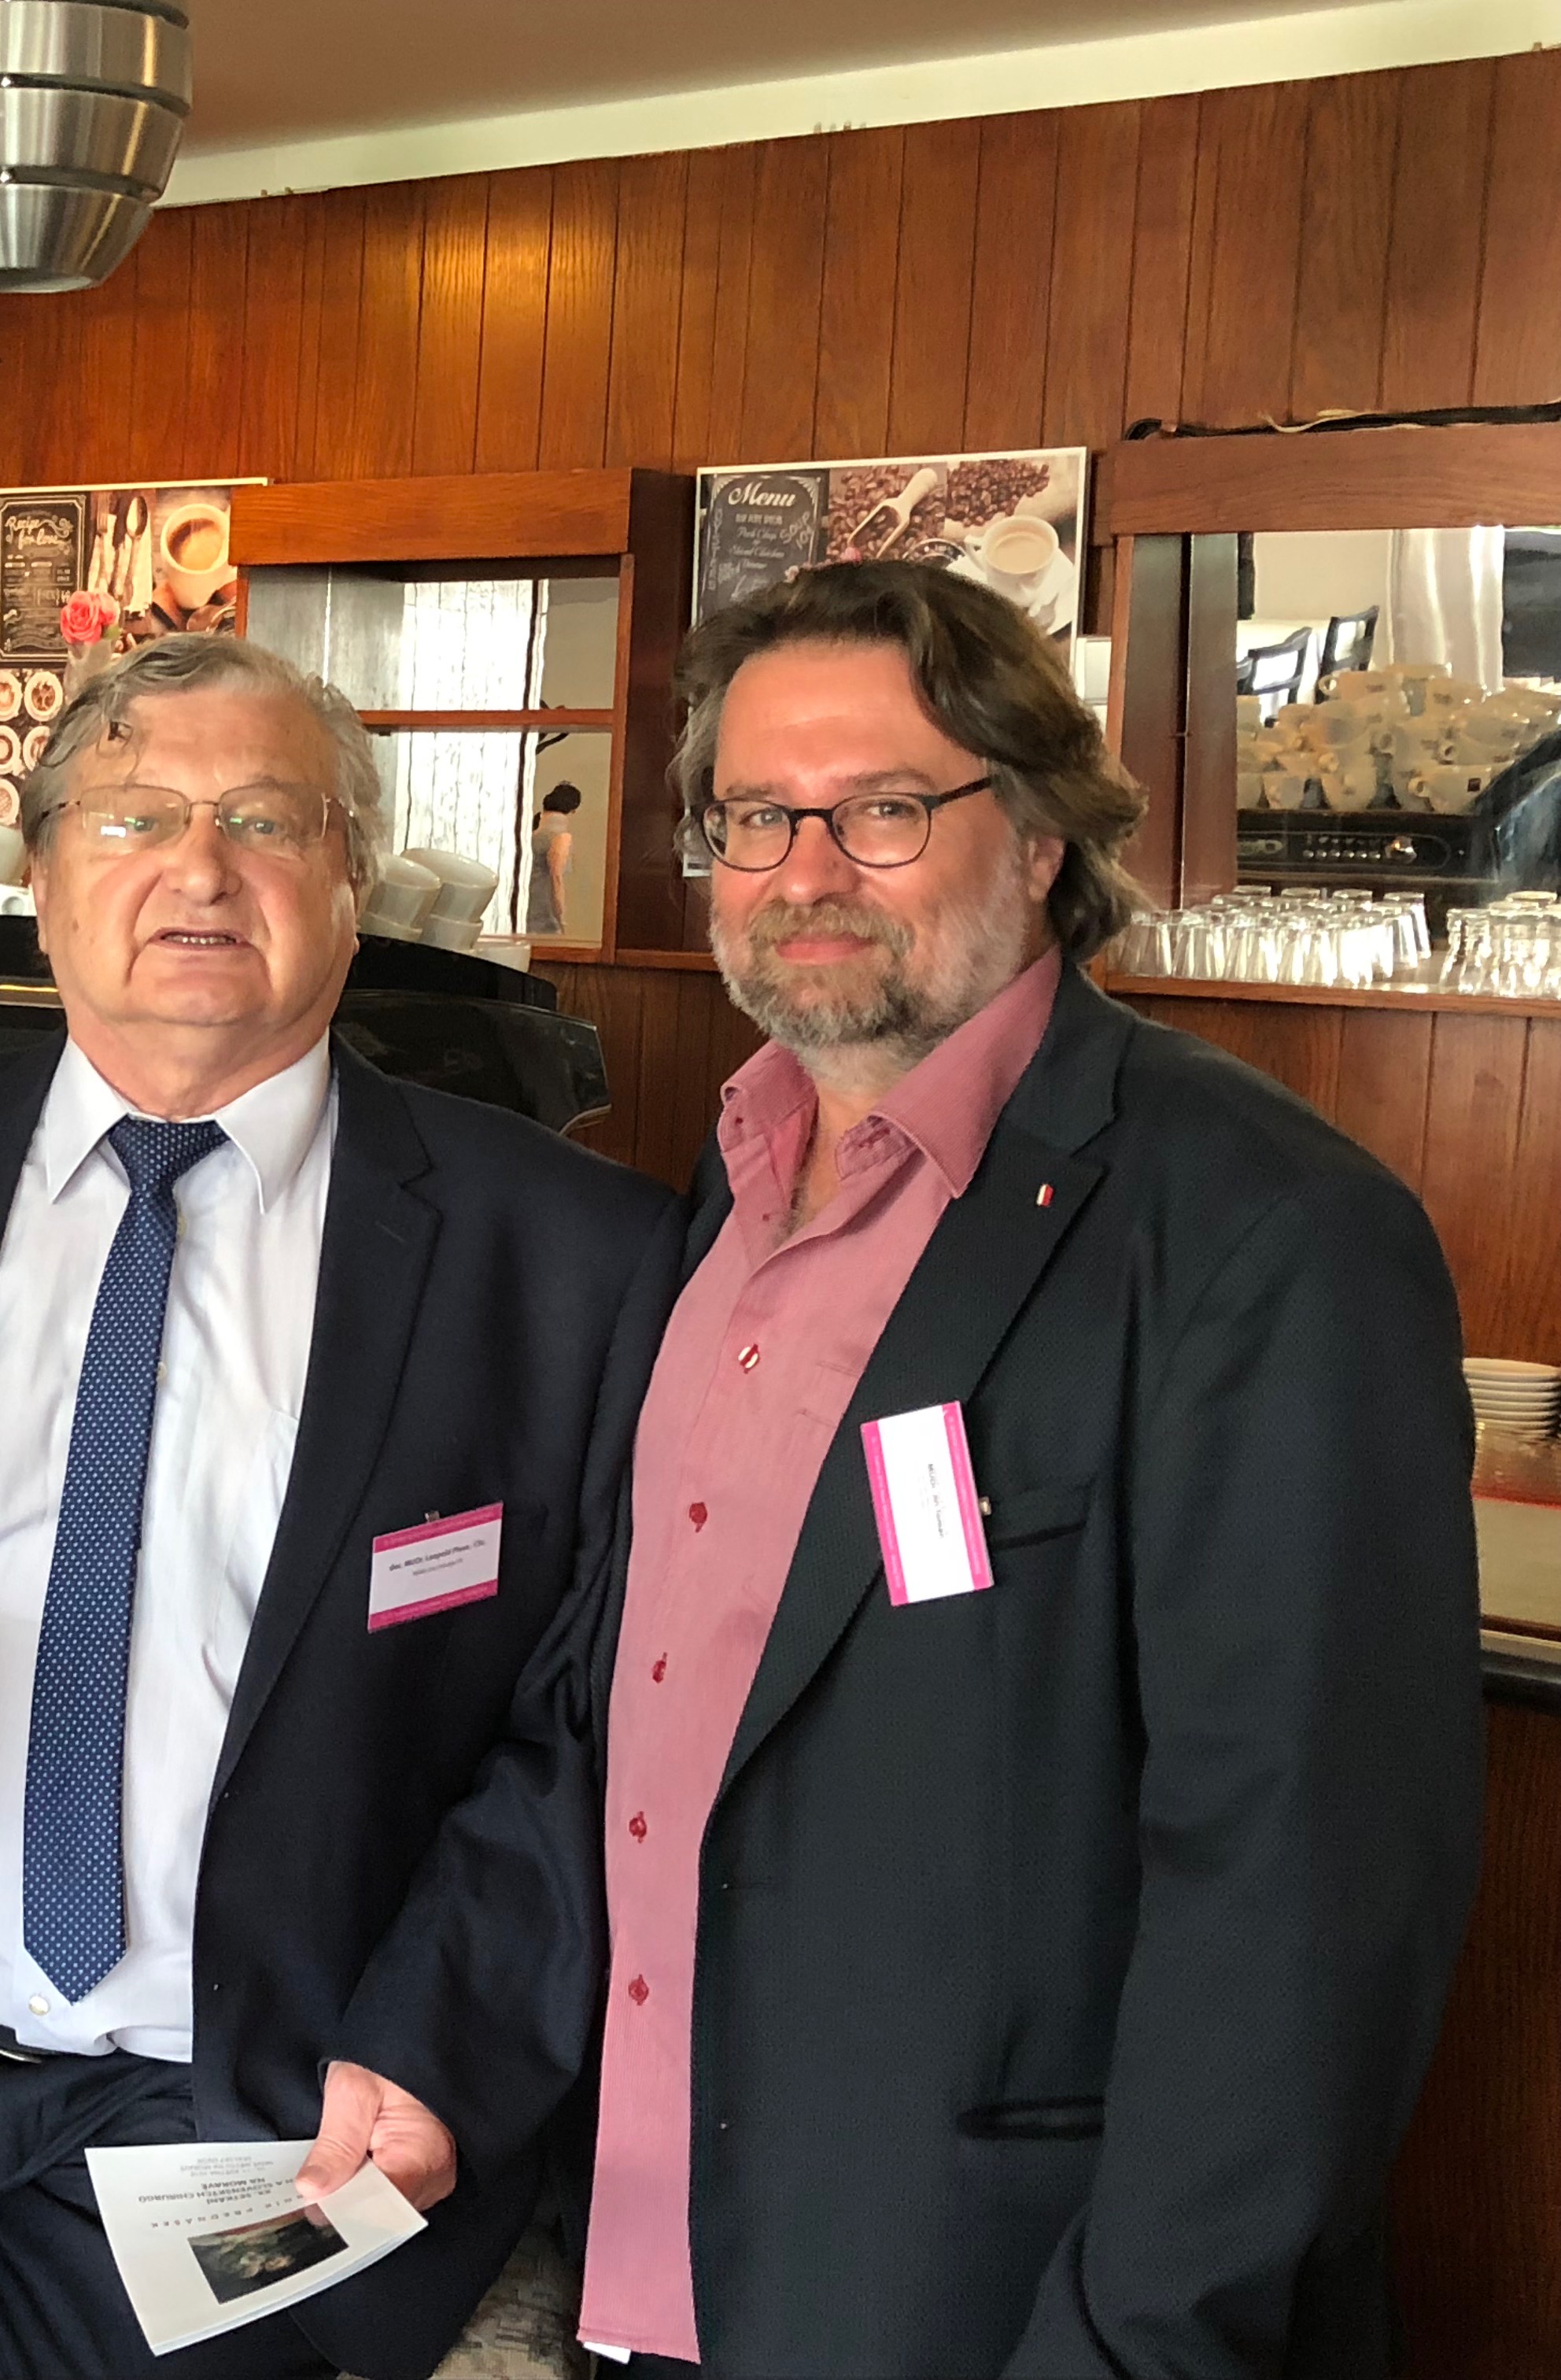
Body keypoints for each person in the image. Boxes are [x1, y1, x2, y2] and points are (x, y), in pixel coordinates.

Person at [0, 634, 678, 2380]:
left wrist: (446, 2039)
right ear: (36, 882)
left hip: (266, 2107)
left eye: (264, 818)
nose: (199, 867)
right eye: (133, 815)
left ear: (352, 881)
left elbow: (589, 1715)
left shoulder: (570, 1259)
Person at [577, 560, 1482, 2378]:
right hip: (650, 2255)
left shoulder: (1267, 1234)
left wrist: (1131, 2345)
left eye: (885, 809)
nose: (806, 873)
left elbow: (1303, 1906)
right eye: (754, 815)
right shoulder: (723, 1186)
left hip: (990, 2304)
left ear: (1045, 835)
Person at [525, 782, 581, 937]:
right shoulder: (561, 837)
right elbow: (556, 878)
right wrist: (561, 917)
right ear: (573, 810)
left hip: (526, 905)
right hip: (544, 913)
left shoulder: (534, 832)